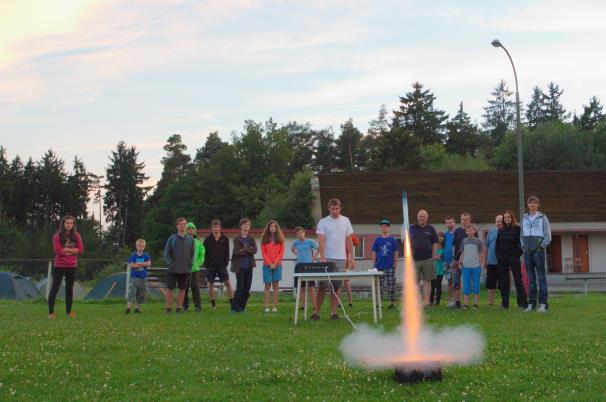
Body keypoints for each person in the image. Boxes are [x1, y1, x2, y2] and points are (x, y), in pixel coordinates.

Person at [314, 198, 354, 321]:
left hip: (341, 258)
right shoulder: (323, 222)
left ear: (340, 208)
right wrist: (322, 257)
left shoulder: (346, 221)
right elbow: (321, 240)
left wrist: (351, 257)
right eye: (332, 209)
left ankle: (333, 313)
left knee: (336, 287)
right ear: (329, 209)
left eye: (337, 208)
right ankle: (316, 313)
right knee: (322, 286)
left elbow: (349, 240)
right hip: (327, 258)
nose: (335, 211)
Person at [48, 215, 84, 319]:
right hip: (59, 265)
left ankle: (69, 312)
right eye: (67, 223)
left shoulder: (77, 235)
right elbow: (58, 251)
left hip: (72, 266)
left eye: (71, 223)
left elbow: (81, 250)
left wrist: (66, 251)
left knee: (69, 289)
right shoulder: (57, 236)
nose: (69, 225)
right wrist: (73, 251)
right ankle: (51, 313)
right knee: (55, 288)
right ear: (63, 224)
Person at [521, 196, 552, 312]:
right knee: (530, 278)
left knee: (541, 277)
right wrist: (523, 246)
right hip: (527, 251)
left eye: (534, 202)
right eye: (530, 203)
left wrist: (541, 246)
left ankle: (543, 304)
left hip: (538, 251)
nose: (532, 204)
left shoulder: (543, 218)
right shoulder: (524, 218)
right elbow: (521, 235)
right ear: (528, 205)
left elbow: (548, 236)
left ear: (538, 205)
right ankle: (531, 303)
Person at [496, 210, 527, 309]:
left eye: (508, 217)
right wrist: (499, 257)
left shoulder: (518, 229)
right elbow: (497, 246)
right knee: (504, 282)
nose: (507, 219)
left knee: (518, 281)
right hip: (503, 260)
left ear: (512, 218)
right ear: (503, 220)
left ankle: (522, 304)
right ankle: (505, 304)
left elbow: (522, 243)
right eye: (505, 217)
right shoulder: (501, 230)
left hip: (514, 258)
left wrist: (517, 255)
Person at [163, 217, 195, 314]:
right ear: (177, 226)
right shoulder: (172, 238)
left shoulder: (190, 239)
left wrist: (190, 264)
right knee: (170, 289)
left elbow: (192, 254)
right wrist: (170, 264)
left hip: (185, 269)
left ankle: (179, 308)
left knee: (182, 289)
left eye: (184, 224)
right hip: (173, 269)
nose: (183, 226)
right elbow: (166, 253)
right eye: (181, 224)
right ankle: (168, 309)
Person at [409, 210, 438, 308]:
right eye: (420, 216)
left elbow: (435, 243)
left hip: (428, 259)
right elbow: (407, 243)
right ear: (417, 217)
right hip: (414, 260)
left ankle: (427, 302)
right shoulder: (411, 228)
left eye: (424, 216)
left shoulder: (431, 229)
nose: (422, 218)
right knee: (415, 282)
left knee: (427, 281)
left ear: (427, 218)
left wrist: (434, 256)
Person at [203, 219, 234, 310]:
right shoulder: (207, 239)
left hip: (222, 265)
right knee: (210, 284)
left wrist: (225, 263)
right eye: (214, 227)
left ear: (220, 228)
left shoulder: (225, 239)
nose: (216, 229)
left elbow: (227, 253)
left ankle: (232, 303)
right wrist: (207, 264)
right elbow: (205, 253)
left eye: (217, 227)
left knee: (227, 283)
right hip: (211, 266)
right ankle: (213, 304)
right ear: (211, 228)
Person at [231, 218, 257, 313]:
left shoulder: (251, 238)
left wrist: (244, 250)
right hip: (240, 267)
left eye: (248, 225)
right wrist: (248, 249)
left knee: (247, 288)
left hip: (249, 266)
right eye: (244, 225)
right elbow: (237, 252)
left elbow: (255, 250)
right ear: (241, 226)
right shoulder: (236, 238)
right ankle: (234, 308)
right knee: (240, 288)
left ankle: (242, 307)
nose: (246, 226)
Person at [372, 219, 399, 310]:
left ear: (389, 228)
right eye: (382, 227)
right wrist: (374, 265)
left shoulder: (393, 240)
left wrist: (395, 263)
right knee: (379, 287)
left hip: (390, 266)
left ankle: (392, 303)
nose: (384, 228)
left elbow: (396, 252)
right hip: (379, 267)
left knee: (391, 285)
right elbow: (374, 252)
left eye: (386, 226)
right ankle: (379, 303)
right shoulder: (377, 240)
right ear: (380, 228)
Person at [291, 226, 318, 311]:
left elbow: (319, 248)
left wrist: (314, 257)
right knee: (301, 287)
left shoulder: (310, 241)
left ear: (304, 233)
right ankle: (303, 305)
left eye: (300, 233)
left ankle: (314, 306)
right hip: (300, 266)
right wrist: (297, 255)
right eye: (297, 234)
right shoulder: (296, 242)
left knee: (311, 287)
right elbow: (292, 249)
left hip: (309, 266)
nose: (299, 235)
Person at [261, 220, 285, 313]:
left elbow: (281, 253)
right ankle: (266, 306)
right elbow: (263, 253)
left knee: (276, 285)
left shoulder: (280, 239)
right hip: (267, 265)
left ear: (277, 228)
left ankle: (274, 307)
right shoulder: (264, 239)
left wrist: (275, 263)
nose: (273, 228)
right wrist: (270, 263)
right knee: (267, 285)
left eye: (274, 226)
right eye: (271, 226)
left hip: (277, 265)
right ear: (268, 228)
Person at [459, 224, 485, 309]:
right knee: (466, 286)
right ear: (466, 232)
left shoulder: (478, 241)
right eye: (468, 230)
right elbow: (462, 253)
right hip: (465, 267)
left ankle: (475, 304)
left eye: (471, 230)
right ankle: (466, 304)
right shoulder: (463, 241)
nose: (470, 231)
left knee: (476, 286)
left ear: (474, 231)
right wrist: (460, 262)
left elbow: (481, 254)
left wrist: (481, 264)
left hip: (476, 267)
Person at [450, 212, 472, 309]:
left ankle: (466, 303)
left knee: (465, 282)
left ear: (469, 220)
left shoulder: (472, 231)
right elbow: (454, 246)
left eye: (466, 219)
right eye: (462, 219)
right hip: (456, 260)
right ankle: (457, 302)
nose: (464, 221)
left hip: (467, 261)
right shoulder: (457, 231)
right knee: (455, 282)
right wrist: (453, 258)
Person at [183, 222, 205, 312]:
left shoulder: (198, 242)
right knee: (184, 288)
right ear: (186, 230)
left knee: (195, 288)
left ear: (194, 230)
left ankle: (197, 307)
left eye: (192, 228)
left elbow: (202, 254)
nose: (190, 230)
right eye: (188, 228)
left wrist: (198, 263)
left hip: (194, 269)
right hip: (184, 269)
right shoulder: (182, 241)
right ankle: (184, 306)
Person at [126, 239, 151, 314]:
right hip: (134, 277)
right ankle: (128, 308)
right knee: (131, 292)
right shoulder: (133, 255)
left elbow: (149, 263)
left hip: (143, 278)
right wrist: (143, 264)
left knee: (141, 293)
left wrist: (139, 264)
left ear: (144, 247)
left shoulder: (146, 255)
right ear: (136, 246)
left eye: (142, 246)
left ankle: (137, 309)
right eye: (139, 246)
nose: (141, 248)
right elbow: (132, 265)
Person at [485, 215, 503, 306]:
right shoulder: (491, 232)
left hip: (502, 262)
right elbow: (486, 246)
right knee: (490, 283)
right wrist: (485, 260)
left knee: (502, 283)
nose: (498, 223)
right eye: (497, 221)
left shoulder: (506, 231)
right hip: (491, 262)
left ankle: (503, 301)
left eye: (500, 221)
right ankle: (491, 302)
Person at [342, 233, 360, 308]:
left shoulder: (348, 234)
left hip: (345, 261)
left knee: (346, 282)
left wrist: (351, 259)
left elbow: (356, 242)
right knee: (339, 282)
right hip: (339, 260)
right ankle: (339, 303)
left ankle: (350, 302)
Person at [443, 216, 456, 307]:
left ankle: (457, 300)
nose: (449, 224)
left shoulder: (457, 233)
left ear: (454, 222)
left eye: (451, 222)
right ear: (445, 224)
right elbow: (441, 248)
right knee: (450, 282)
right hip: (446, 262)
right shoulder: (444, 235)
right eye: (447, 222)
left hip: (455, 261)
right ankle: (450, 300)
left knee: (457, 281)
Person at [430, 231, 445, 306]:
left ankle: (437, 302)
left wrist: (436, 257)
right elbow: (432, 257)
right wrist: (436, 257)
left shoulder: (444, 247)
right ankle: (431, 301)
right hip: (433, 269)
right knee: (432, 286)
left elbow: (442, 257)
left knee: (438, 285)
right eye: (439, 236)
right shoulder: (433, 246)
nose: (440, 238)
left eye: (442, 237)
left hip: (440, 269)